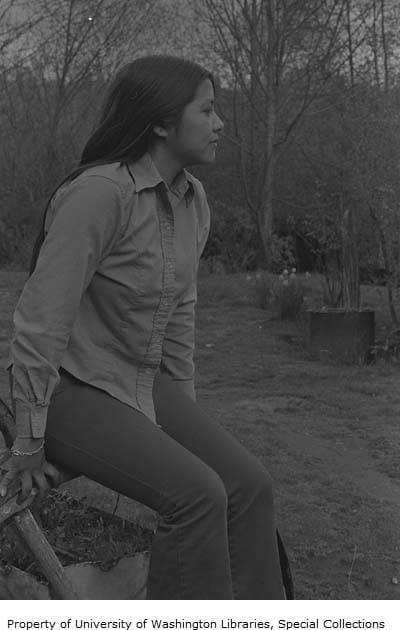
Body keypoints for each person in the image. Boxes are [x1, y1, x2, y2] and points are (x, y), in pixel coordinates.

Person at [0, 55, 292, 600]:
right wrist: (28, 439)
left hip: (137, 380)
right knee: (197, 494)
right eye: (206, 110)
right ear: (160, 123)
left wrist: (185, 424)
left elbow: (179, 318)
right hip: (69, 388)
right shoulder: (99, 193)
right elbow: (41, 322)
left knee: (248, 484)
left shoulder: (192, 200)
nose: (220, 123)